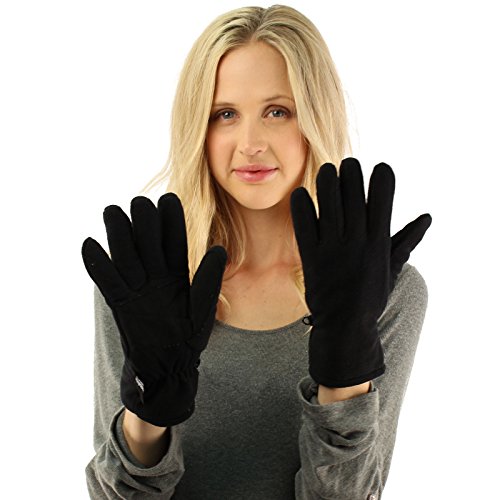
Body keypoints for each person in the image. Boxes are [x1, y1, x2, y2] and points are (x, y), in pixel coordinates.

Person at [81, 5, 432, 499]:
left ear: (315, 117)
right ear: (198, 129)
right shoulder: (144, 284)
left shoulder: (382, 290)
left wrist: (346, 371)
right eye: (225, 114)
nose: (250, 144)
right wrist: (148, 412)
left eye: (277, 111)